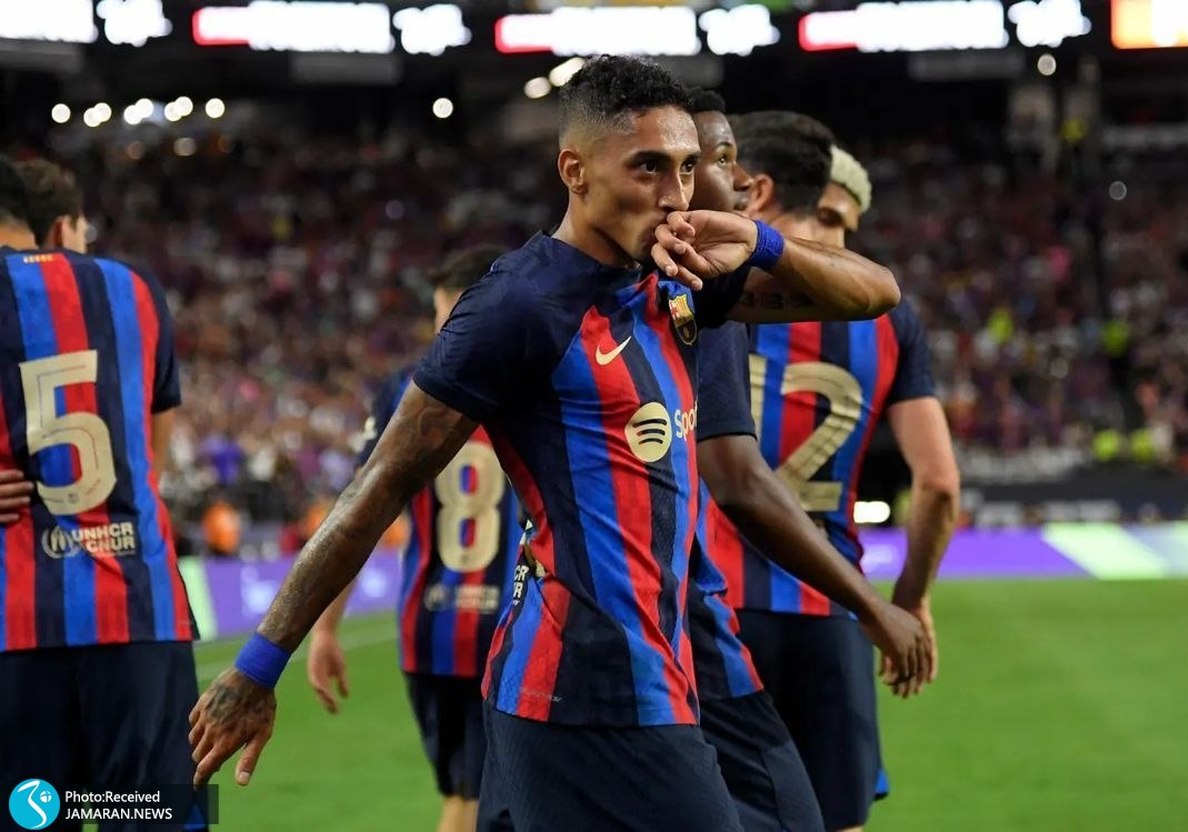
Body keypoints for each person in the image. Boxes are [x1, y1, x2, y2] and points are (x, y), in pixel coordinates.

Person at [189, 56, 926, 831]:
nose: (676, 194)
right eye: (648, 168)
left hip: (669, 660)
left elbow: (877, 294)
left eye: (685, 168)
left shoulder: (677, 280)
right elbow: (379, 486)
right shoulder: (518, 306)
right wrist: (258, 667)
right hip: (589, 682)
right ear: (574, 170)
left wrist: (757, 239)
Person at [684, 89, 932, 832]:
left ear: (755, 188)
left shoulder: (686, 285)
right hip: (831, 605)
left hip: (710, 601)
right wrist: (903, 601)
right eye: (832, 219)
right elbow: (940, 483)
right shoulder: (884, 320)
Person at [0, 155, 206, 830]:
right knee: (147, 817)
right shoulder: (132, 289)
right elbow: (153, 456)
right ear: (60, 226)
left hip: (15, 627)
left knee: (34, 816)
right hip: (138, 614)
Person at [306, 244, 522, 832]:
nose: (438, 332)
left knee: (466, 797)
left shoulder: (408, 387)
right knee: (485, 804)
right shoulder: (533, 376)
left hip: (428, 632)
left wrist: (325, 627)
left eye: (443, 316)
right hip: (507, 630)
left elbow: (360, 512)